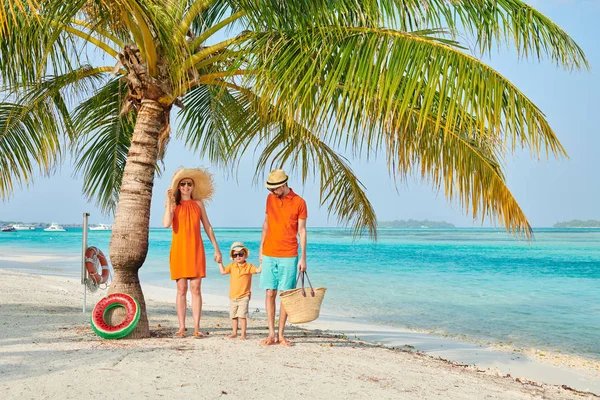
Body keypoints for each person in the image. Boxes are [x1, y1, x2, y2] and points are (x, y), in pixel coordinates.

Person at [163, 167, 222, 338]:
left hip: (196, 248)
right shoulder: (173, 205)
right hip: (179, 250)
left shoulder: (198, 204)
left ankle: (196, 327)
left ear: (192, 186)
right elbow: (167, 224)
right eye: (183, 184)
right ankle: (182, 327)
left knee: (196, 288)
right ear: (178, 187)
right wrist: (169, 202)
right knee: (181, 289)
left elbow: (208, 226)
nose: (186, 187)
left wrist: (216, 249)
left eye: (189, 184)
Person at [259, 169, 307, 346]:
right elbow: (266, 223)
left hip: (289, 254)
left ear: (283, 184)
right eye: (270, 189)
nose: (272, 192)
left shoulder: (300, 202)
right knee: (269, 292)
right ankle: (271, 334)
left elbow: (301, 231)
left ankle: (281, 334)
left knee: (285, 295)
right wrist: (261, 248)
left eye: (274, 189)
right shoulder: (270, 199)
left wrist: (303, 257)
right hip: (269, 252)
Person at [218, 242, 262, 340]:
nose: (238, 256)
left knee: (242, 316)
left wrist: (262, 262)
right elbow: (223, 271)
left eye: (240, 254)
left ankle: (243, 334)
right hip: (233, 296)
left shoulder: (249, 266)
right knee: (233, 316)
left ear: (245, 255)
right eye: (235, 255)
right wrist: (220, 262)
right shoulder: (232, 266)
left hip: (244, 296)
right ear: (232, 257)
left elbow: (258, 270)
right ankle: (234, 332)